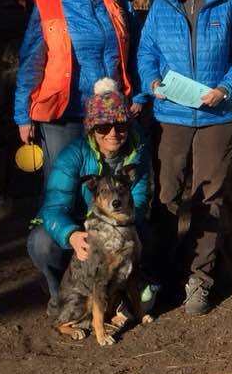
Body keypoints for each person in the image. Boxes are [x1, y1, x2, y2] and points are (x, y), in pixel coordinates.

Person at [137, 0, 232, 315]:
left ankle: (198, 279)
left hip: (218, 116)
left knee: (209, 197)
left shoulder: (229, 4)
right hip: (171, 115)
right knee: (166, 197)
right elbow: (146, 52)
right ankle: (158, 277)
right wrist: (151, 83)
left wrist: (226, 87)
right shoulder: (161, 5)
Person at [15, 0, 141, 184]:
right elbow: (31, 63)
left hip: (108, 113)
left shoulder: (117, 2)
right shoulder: (49, 3)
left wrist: (136, 94)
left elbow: (133, 52)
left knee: (107, 188)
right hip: (64, 114)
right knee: (64, 186)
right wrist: (23, 116)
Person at [27, 78, 151, 317]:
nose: (113, 133)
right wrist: (71, 234)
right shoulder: (72, 155)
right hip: (78, 222)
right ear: (92, 130)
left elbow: (140, 196)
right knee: (41, 243)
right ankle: (60, 296)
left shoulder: (137, 151)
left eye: (121, 126)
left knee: (146, 236)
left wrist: (117, 227)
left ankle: (120, 296)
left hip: (119, 221)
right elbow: (52, 207)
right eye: (103, 127)